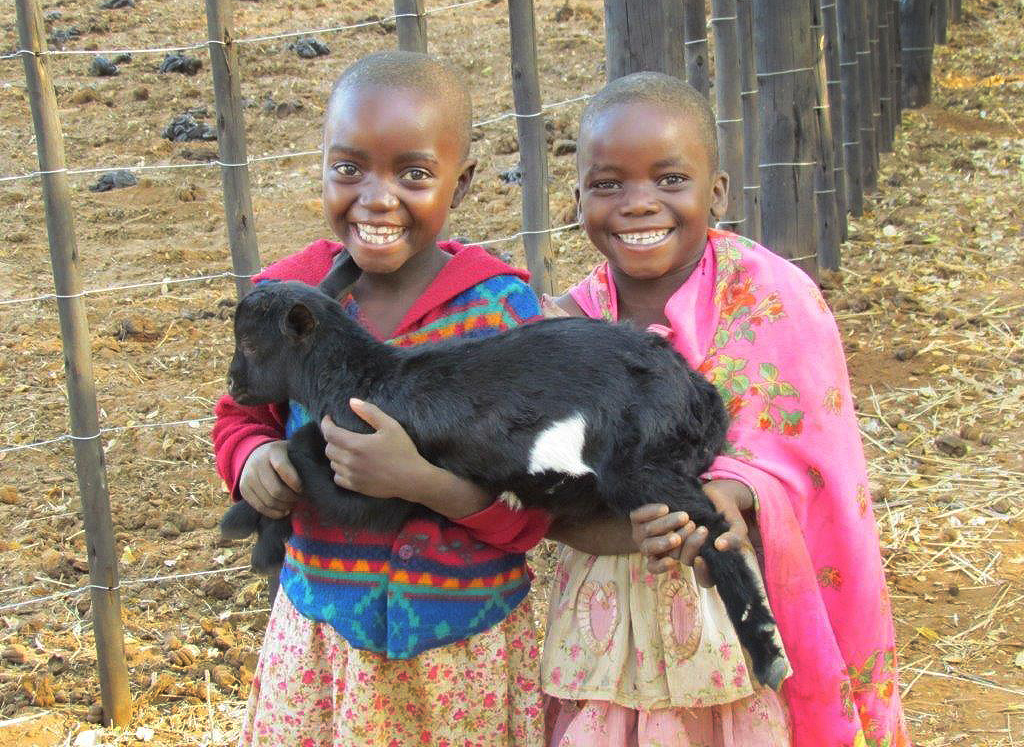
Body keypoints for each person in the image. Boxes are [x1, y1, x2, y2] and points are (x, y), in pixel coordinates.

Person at [537, 72, 910, 747]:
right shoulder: (566, 326)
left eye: (670, 180)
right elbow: (540, 488)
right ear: (578, 198)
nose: (639, 204)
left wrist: (732, 491)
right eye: (609, 183)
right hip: (605, 631)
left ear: (718, 192)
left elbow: (815, 459)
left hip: (740, 632)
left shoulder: (777, 299)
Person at [212, 51, 548, 746]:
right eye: (349, 168)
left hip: (463, 654)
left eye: (414, 173)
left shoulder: (501, 314)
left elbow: (535, 498)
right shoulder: (289, 297)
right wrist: (253, 460)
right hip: (324, 650)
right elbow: (240, 416)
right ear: (323, 165)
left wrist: (422, 483)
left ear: (463, 179)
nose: (377, 197)